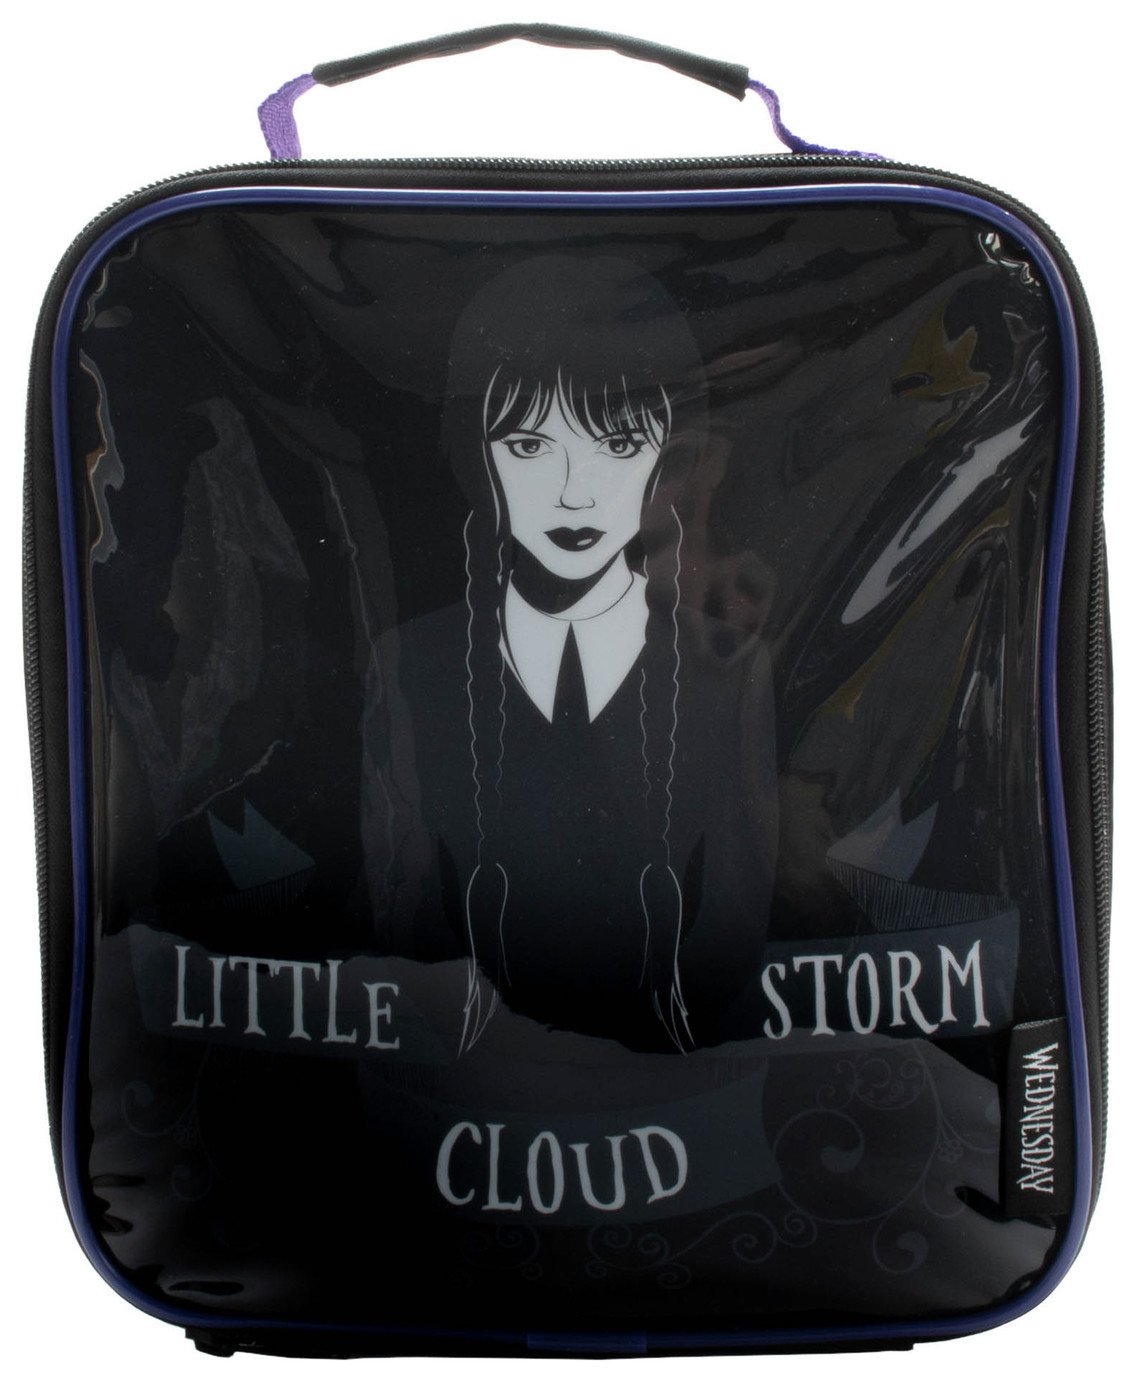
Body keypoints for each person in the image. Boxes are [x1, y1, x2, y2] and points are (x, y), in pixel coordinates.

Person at [378, 254, 777, 1055]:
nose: (573, 492)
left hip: (690, 1083)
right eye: (529, 445)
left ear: (671, 456)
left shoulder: (726, 668)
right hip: (449, 1080)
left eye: (618, 443)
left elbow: (740, 917)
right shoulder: (410, 663)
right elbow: (394, 904)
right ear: (476, 458)